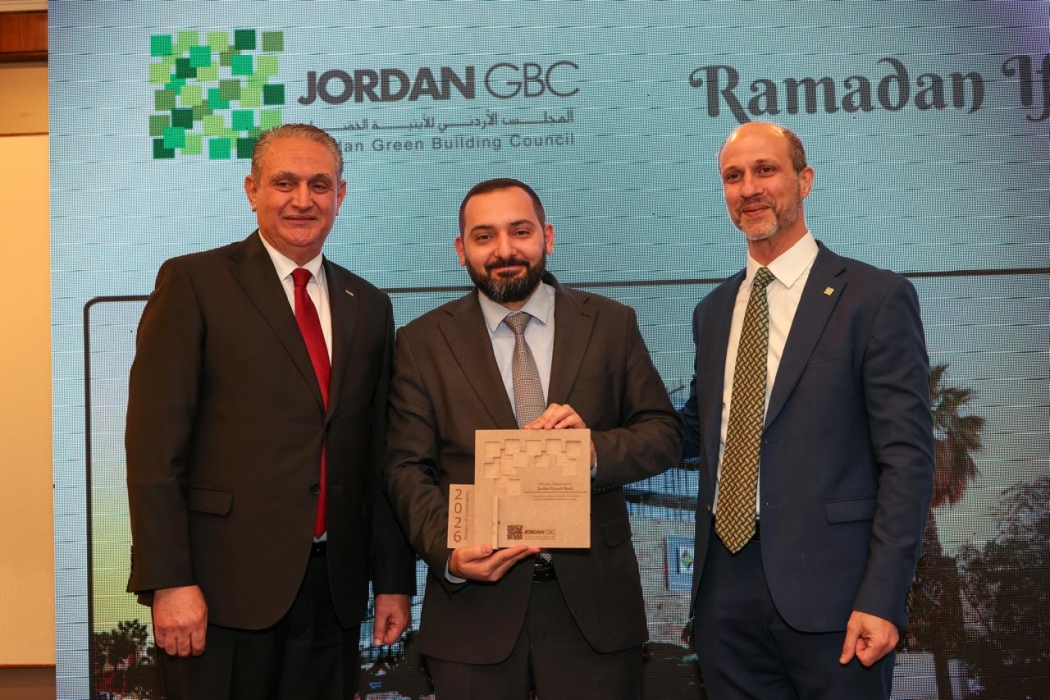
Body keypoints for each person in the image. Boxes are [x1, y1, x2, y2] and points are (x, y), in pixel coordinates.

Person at [125, 123, 416, 700]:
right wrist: (169, 580)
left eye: (319, 185)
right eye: (285, 183)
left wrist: (392, 581)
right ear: (252, 190)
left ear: (341, 195)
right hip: (218, 593)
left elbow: (379, 455)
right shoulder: (194, 283)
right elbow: (155, 446)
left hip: (332, 595)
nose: (303, 199)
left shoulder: (369, 305)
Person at [383, 178, 683, 699]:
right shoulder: (421, 342)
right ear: (461, 250)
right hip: (472, 614)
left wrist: (592, 451)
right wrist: (449, 551)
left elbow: (664, 434)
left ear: (548, 236)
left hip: (595, 611)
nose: (504, 250)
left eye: (520, 231)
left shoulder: (611, 323)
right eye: (484, 236)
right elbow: (406, 468)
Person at [680, 122, 935, 699]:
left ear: (804, 180)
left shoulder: (875, 297)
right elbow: (695, 430)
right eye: (733, 176)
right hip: (724, 599)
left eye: (765, 170)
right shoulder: (712, 311)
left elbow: (908, 460)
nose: (749, 188)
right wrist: (594, 431)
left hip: (838, 600)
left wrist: (883, 597)